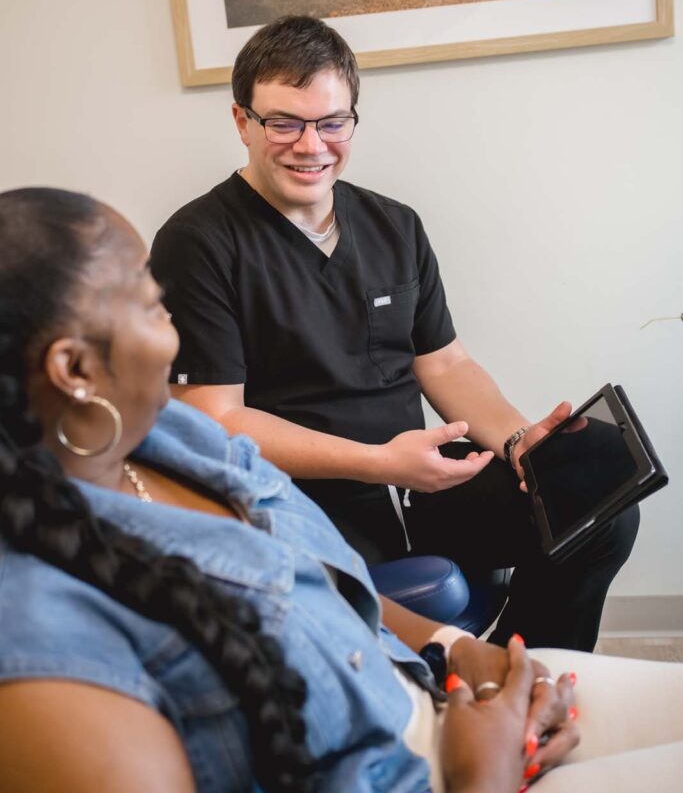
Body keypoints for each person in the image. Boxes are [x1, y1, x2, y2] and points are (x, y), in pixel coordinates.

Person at [1, 187, 683, 793]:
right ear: (74, 369)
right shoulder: (45, 652)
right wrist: (483, 773)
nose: (178, 337)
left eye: (332, 121)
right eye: (154, 307)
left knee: (598, 516)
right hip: (449, 762)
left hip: (430, 696)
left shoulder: (177, 444)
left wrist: (459, 649)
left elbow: (320, 586)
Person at [150, 16, 638, 651]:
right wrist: (379, 463)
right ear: (242, 122)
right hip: (310, 499)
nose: (311, 145)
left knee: (599, 503)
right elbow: (217, 419)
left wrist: (520, 443)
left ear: (352, 120)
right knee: (337, 608)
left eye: (331, 122)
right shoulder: (198, 243)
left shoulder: (394, 225)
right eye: (284, 123)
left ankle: (522, 674)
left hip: (425, 476)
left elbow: (447, 364)